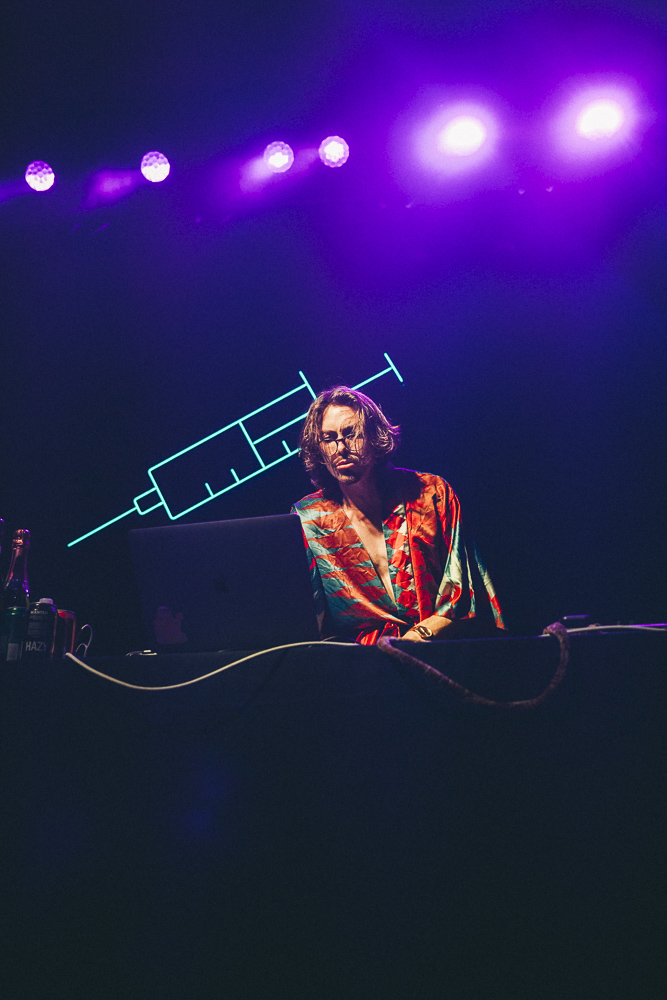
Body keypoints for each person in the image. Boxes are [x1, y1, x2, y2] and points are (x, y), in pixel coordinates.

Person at [291, 386, 504, 644]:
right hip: (359, 670)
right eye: (328, 438)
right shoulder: (307, 519)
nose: (341, 447)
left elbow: (464, 593)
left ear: (374, 436)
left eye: (351, 434)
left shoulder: (431, 494)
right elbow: (304, 621)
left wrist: (416, 638)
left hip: (439, 653)